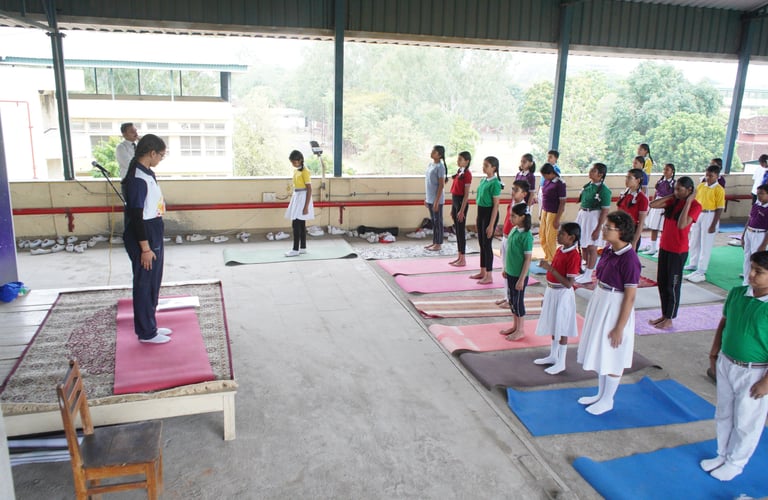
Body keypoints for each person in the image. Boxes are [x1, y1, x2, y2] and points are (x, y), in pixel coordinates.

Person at [701, 251, 768, 482]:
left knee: (747, 420)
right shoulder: (738, 293)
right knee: (724, 412)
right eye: (751, 268)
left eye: (759, 272)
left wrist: (766, 382)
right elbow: (725, 322)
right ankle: (722, 454)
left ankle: (736, 462)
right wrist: (714, 352)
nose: (752, 275)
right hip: (727, 362)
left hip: (755, 371)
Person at [576, 211, 641, 415]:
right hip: (602, 299)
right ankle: (600, 394)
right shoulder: (609, 250)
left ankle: (608, 399)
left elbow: (630, 297)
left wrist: (619, 327)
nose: (604, 230)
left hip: (615, 305)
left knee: (613, 353)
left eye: (608, 227)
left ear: (621, 231)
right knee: (601, 350)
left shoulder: (629, 259)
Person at [122, 134, 170, 344]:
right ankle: (146, 332)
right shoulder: (137, 178)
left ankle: (151, 324)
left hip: (154, 227)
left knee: (153, 281)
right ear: (152, 153)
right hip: (144, 232)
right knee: (144, 283)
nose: (160, 159)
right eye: (160, 155)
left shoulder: (147, 172)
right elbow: (136, 216)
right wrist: (145, 248)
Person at [648, 176, 702, 330]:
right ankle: (664, 314)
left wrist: (688, 201)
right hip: (665, 247)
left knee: (672, 285)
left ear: (689, 190)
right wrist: (673, 195)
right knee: (662, 282)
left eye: (679, 189)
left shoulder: (695, 206)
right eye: (675, 189)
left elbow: (682, 224)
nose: (676, 192)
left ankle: (670, 318)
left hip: (678, 251)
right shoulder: (673, 201)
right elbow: (653, 204)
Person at [534, 222, 582, 375]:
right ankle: (553, 355)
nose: (558, 235)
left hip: (562, 294)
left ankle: (561, 362)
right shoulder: (560, 249)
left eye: (562, 234)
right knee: (555, 324)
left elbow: (569, 284)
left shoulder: (574, 256)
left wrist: (550, 269)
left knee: (562, 327)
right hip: (552, 291)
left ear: (571, 238)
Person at [685, 165, 726, 283]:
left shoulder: (719, 189)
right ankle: (693, 263)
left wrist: (713, 224)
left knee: (706, 242)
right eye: (707, 175)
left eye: (711, 176)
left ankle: (702, 269)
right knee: (694, 239)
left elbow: (719, 208)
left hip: (710, 214)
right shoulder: (701, 186)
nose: (708, 178)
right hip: (699, 213)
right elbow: (694, 200)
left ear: (717, 176)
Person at [499, 203, 533, 341]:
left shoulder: (526, 236)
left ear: (522, 217)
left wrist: (521, 279)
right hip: (511, 272)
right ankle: (515, 326)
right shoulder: (514, 230)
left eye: (513, 216)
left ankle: (521, 330)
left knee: (518, 302)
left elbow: (527, 259)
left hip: (519, 275)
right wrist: (505, 268)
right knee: (512, 301)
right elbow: (509, 252)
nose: (510, 218)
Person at [575, 163, 612, 284]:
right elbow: (582, 202)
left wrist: (598, 228)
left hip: (594, 219)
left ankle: (589, 274)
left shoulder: (604, 191)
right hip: (583, 216)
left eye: (594, 171)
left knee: (592, 247)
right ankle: (585, 270)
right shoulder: (587, 186)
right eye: (591, 169)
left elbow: (605, 211)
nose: (590, 172)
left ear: (600, 175)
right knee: (584, 246)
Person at [496, 180, 530, 308]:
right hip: (506, 238)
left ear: (524, 194)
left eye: (516, 190)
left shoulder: (523, 209)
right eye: (513, 189)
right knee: (505, 269)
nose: (513, 192)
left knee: (510, 270)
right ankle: (507, 296)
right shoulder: (513, 203)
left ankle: (511, 299)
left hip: (513, 241)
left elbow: (523, 228)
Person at [470, 156, 502, 285]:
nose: (483, 168)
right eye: (483, 165)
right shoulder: (483, 180)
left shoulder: (495, 183)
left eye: (486, 166)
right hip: (481, 213)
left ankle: (489, 275)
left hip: (490, 214)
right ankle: (482, 271)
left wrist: (491, 224)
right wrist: (478, 218)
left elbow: (496, 205)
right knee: (481, 244)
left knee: (487, 245)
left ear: (494, 168)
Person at [639, 163, 675, 257]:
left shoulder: (673, 183)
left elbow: (673, 197)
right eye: (664, 169)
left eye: (667, 170)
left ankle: (661, 248)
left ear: (672, 172)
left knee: (663, 229)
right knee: (654, 227)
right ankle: (653, 248)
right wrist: (652, 204)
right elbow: (656, 193)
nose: (665, 171)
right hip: (657, 204)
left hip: (665, 205)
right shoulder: (660, 181)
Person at [284, 150, 315, 257]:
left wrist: (306, 207)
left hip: (303, 197)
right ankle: (303, 247)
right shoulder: (296, 171)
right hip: (297, 196)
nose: (293, 164)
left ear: (300, 160)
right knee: (301, 224)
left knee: (296, 224)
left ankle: (295, 249)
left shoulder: (305, 171)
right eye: (292, 162)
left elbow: (309, 189)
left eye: (295, 162)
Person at [740, 184, 768, 285]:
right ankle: (746, 281)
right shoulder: (756, 204)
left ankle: (755, 283)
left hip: (760, 234)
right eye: (758, 193)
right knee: (747, 257)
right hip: (749, 232)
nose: (759, 196)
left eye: (762, 194)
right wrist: (743, 235)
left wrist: (763, 244)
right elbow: (749, 219)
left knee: (756, 259)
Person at [538, 163, 567, 262]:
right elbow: (544, 198)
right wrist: (541, 212)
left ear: (551, 173)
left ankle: (553, 259)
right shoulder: (547, 181)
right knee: (542, 236)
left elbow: (562, 202)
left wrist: (557, 219)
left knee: (550, 237)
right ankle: (547, 256)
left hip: (554, 213)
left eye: (545, 175)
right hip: (545, 211)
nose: (544, 177)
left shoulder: (560, 183)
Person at [448, 151, 472, 267]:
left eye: (460, 159)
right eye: (458, 159)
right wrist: (453, 209)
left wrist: (461, 210)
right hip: (455, 202)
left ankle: (463, 258)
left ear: (467, 161)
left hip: (461, 203)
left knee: (461, 231)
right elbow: (454, 191)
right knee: (457, 231)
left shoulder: (467, 174)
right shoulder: (459, 171)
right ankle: (459, 256)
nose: (458, 161)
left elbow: (466, 195)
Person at [616, 168, 649, 251]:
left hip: (631, 231)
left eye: (629, 178)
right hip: (620, 229)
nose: (626, 180)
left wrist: (634, 241)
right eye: (626, 177)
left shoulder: (642, 198)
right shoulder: (624, 194)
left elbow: (641, 223)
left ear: (638, 180)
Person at [424, 145, 447, 252]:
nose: (432, 153)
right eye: (432, 151)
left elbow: (441, 185)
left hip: (437, 199)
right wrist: (427, 198)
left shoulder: (440, 167)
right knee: (433, 221)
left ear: (440, 155)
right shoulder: (431, 165)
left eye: (434, 152)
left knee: (438, 221)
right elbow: (429, 183)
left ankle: (439, 243)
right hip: (430, 197)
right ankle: (434, 241)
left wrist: (436, 201)